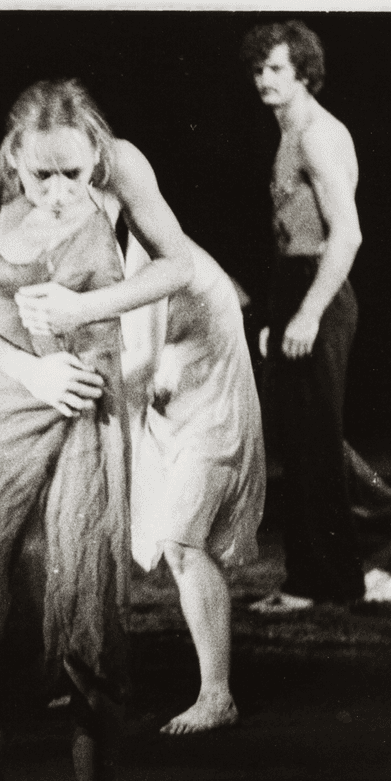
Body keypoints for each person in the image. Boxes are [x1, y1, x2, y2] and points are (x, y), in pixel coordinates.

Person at [0, 78, 217, 781]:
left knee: (89, 596)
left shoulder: (121, 166)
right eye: (39, 173)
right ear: (12, 154)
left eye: (74, 175)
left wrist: (92, 310)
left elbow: (180, 264)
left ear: (97, 158)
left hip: (89, 392)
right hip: (1, 394)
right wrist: (25, 369)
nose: (56, 189)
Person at [241, 20, 368, 613]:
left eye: (276, 69)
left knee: (315, 444)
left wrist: (309, 312)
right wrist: (282, 311)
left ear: (304, 73)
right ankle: (312, 578)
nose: (264, 80)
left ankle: (330, 583)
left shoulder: (317, 135)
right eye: (259, 69)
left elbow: (347, 234)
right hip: (295, 284)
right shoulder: (289, 130)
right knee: (300, 440)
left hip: (319, 285)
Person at [118, 240, 266, 736]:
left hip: (213, 414)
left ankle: (216, 695)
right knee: (101, 536)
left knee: (182, 545)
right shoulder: (124, 253)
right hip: (172, 414)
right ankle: (91, 677)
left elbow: (138, 360)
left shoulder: (148, 255)